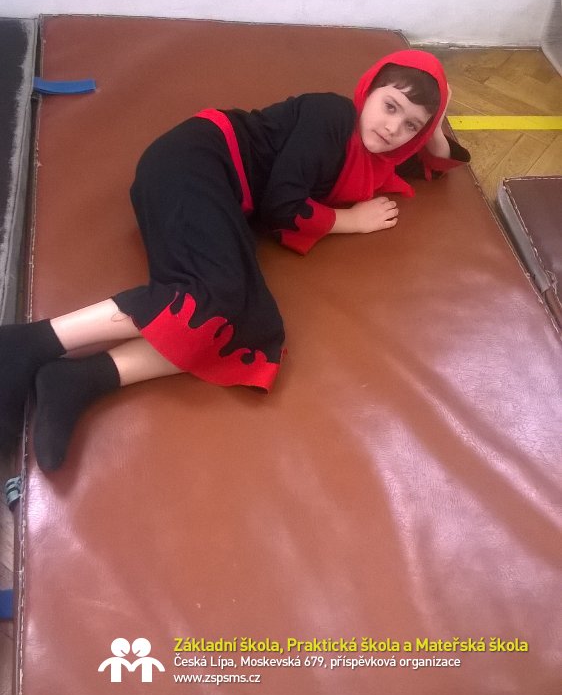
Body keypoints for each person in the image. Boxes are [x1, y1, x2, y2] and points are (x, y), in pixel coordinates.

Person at [0, 49, 469, 472]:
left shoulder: (380, 159)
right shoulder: (331, 115)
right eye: (390, 106)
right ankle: (30, 343)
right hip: (196, 161)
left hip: (221, 200)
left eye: (411, 126)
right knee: (211, 296)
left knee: (252, 329)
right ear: (368, 91)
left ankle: (80, 378)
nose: (393, 129)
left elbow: (440, 162)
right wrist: (351, 220)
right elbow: (282, 206)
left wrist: (435, 120)